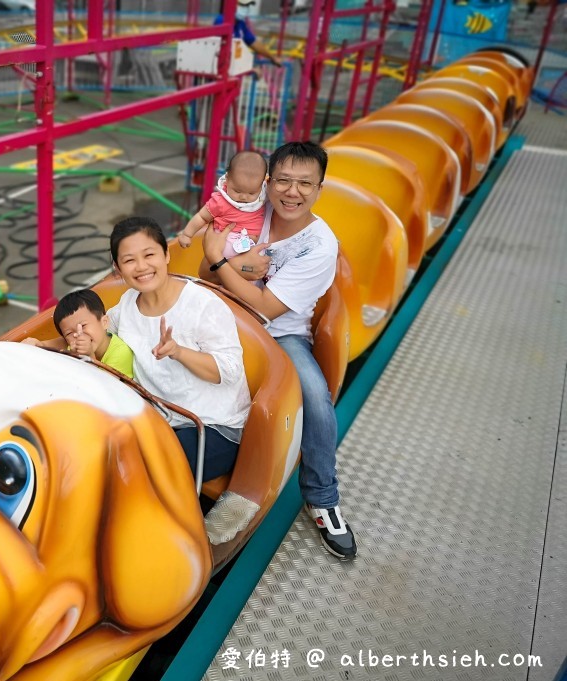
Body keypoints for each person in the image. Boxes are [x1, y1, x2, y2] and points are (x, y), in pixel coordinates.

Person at [200, 141, 357, 559]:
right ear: (268, 182)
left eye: (305, 183)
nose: (293, 192)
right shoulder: (249, 209)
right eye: (284, 180)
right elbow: (205, 267)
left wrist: (224, 264)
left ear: (320, 188)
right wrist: (228, 266)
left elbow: (267, 305)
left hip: (279, 332)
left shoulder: (319, 245)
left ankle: (323, 497)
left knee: (316, 398)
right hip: (225, 315)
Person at [109, 217, 251, 482]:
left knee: (144, 476)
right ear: (117, 268)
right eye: (129, 261)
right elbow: (100, 330)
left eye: (149, 255)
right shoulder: (127, 303)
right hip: (159, 420)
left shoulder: (203, 304)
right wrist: (46, 345)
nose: (141, 267)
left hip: (211, 426)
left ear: (166, 255)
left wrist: (179, 352)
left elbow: (229, 371)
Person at [178, 150, 267, 260]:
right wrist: (187, 234)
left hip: (253, 245)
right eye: (237, 191)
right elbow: (201, 217)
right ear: (227, 179)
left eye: (251, 193)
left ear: (262, 183)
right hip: (228, 240)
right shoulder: (221, 202)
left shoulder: (263, 196)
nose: (244, 197)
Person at [50, 288, 135, 379]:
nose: (78, 335)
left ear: (104, 322)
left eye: (83, 326)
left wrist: (88, 357)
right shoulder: (74, 348)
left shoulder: (121, 353)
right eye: (69, 333)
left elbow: (101, 387)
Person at [215, 0, 282, 67]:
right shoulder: (222, 21)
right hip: (221, 69)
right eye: (243, 6)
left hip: (234, 68)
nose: (246, 9)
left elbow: (254, 43)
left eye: (247, 6)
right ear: (233, 4)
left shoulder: (241, 24)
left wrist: (272, 57)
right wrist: (250, 69)